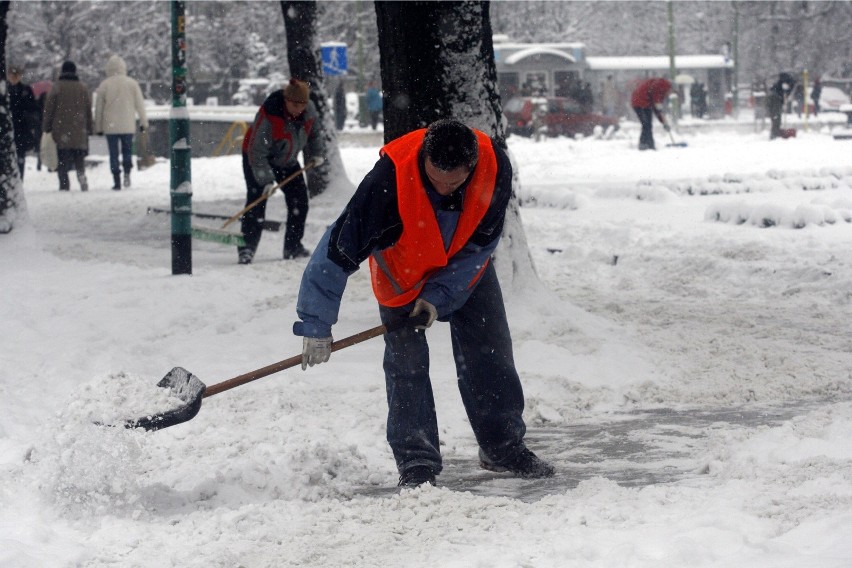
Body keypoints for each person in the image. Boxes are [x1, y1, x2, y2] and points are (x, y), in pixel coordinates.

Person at [293, 119, 555, 488]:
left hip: (464, 265)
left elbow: (482, 243)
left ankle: (503, 445)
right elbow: (336, 252)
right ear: (424, 160)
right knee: (407, 364)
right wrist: (316, 326)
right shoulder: (387, 180)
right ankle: (417, 462)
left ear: (473, 164)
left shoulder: (494, 168)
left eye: (455, 182)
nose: (445, 189)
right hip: (402, 272)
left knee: (491, 349)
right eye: (436, 180)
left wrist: (439, 295)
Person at [238, 78, 324, 264]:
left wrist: (317, 154)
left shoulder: (309, 112)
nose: (298, 109)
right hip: (257, 158)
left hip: (287, 160)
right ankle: (247, 248)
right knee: (257, 200)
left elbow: (316, 134)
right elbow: (257, 151)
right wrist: (266, 180)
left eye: (302, 104)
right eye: (294, 104)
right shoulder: (270, 114)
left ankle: (293, 246)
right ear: (286, 100)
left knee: (299, 201)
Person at [94, 54, 149, 190]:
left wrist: (98, 127)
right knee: (127, 151)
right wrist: (143, 122)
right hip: (127, 125)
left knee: (113, 154)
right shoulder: (132, 83)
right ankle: (127, 174)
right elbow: (140, 105)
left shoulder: (104, 85)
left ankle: (116, 179)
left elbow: (99, 109)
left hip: (110, 126)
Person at [42, 61, 92, 192]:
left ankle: (64, 184)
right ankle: (81, 176)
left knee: (63, 159)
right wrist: (89, 128)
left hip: (61, 130)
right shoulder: (83, 88)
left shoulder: (56, 87)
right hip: (79, 130)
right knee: (79, 158)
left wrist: (46, 127)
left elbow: (49, 109)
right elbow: (88, 110)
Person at [6, 65, 39, 180]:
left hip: (21, 128)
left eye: (16, 75)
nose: (14, 77)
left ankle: (19, 178)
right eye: (12, 75)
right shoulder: (5, 90)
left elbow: (33, 108)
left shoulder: (26, 90)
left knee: (20, 156)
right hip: (8, 128)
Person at [631, 77, 672, 151]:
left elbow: (657, 109)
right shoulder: (661, 86)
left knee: (648, 124)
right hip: (639, 103)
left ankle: (650, 144)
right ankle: (643, 144)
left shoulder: (662, 88)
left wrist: (663, 122)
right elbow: (657, 104)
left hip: (645, 103)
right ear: (670, 89)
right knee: (646, 124)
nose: (669, 95)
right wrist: (658, 107)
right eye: (671, 92)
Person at [765, 73, 795, 140]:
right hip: (775, 100)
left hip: (774, 100)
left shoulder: (780, 84)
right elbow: (784, 94)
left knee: (775, 118)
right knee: (776, 118)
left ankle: (774, 134)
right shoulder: (785, 84)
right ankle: (774, 135)